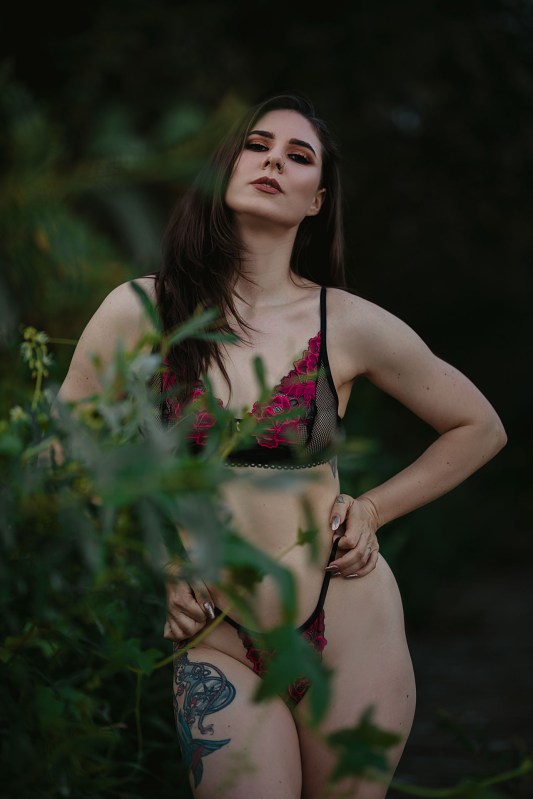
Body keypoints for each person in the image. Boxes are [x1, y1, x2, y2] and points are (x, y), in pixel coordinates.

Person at [56, 93, 507, 799]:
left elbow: (479, 425)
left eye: (298, 157)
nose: (273, 162)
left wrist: (373, 509)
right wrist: (159, 556)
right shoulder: (141, 310)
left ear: (316, 200)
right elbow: (63, 452)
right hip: (217, 633)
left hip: (347, 618)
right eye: (257, 145)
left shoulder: (346, 322)